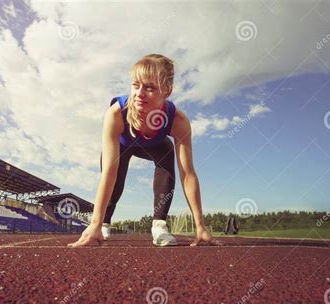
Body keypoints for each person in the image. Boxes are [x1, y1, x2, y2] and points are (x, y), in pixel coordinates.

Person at [68, 54, 221, 247]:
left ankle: (159, 225)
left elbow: (188, 174)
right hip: (123, 145)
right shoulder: (116, 114)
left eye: (149, 88)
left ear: (166, 91)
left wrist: (200, 226)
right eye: (135, 85)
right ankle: (104, 223)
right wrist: (94, 224)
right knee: (116, 178)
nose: (139, 93)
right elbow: (109, 173)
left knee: (167, 154)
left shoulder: (178, 121)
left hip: (155, 146)